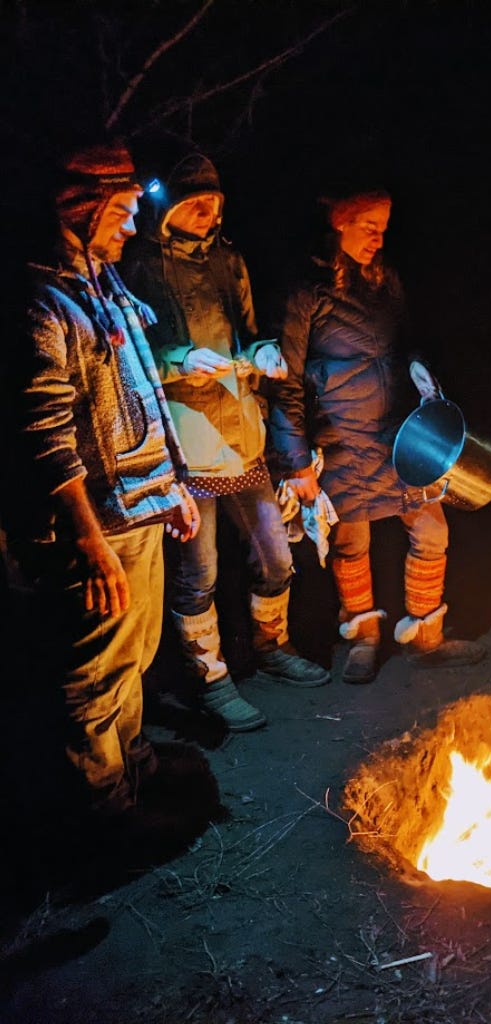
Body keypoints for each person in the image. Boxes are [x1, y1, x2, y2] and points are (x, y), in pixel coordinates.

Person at [2, 139, 201, 824]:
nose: (131, 228)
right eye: (120, 213)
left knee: (134, 654)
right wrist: (87, 540)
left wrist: (171, 485)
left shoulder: (102, 286)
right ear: (81, 211)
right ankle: (103, 810)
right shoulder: (42, 303)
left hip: (135, 508)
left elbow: (140, 394)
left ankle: (134, 764)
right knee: (93, 671)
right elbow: (45, 434)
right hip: (93, 527)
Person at [121, 152, 329, 733]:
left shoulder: (228, 260)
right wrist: (181, 359)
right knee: (201, 571)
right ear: (169, 210)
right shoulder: (142, 267)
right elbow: (133, 358)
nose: (207, 213)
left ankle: (272, 645)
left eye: (213, 202)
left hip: (241, 435)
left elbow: (247, 330)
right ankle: (210, 677)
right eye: (195, 203)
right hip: (188, 446)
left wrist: (263, 353)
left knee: (276, 555)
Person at [268, 187, 485, 684]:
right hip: (341, 438)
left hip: (398, 433)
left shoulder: (385, 281)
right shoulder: (308, 292)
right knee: (351, 543)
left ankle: (427, 637)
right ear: (340, 223)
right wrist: (295, 460)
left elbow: (408, 343)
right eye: (369, 227)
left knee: (431, 531)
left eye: (384, 229)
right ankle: (362, 636)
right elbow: (286, 382)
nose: (378, 239)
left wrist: (421, 371)